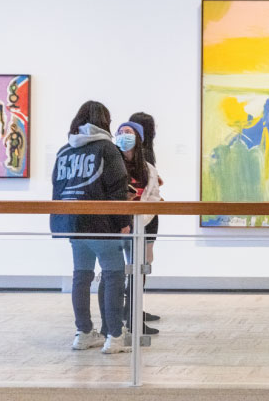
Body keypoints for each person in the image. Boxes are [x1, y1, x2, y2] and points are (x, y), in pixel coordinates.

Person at [50, 100, 131, 354]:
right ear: (104, 121)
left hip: (73, 223)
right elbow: (118, 188)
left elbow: (57, 188)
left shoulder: (65, 151)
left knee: (81, 276)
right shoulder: (106, 149)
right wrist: (123, 222)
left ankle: (83, 332)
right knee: (113, 275)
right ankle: (115, 336)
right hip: (101, 223)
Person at [114, 121, 162, 336]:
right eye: (121, 132)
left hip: (145, 224)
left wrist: (143, 214)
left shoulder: (148, 168)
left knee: (140, 270)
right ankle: (118, 320)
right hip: (119, 225)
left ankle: (133, 316)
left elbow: (153, 195)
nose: (124, 136)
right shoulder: (112, 162)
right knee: (117, 272)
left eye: (129, 132)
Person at [128, 112, 162, 325]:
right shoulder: (145, 154)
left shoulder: (142, 153)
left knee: (139, 264)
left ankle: (134, 310)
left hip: (144, 215)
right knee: (141, 264)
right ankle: (133, 311)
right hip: (145, 218)